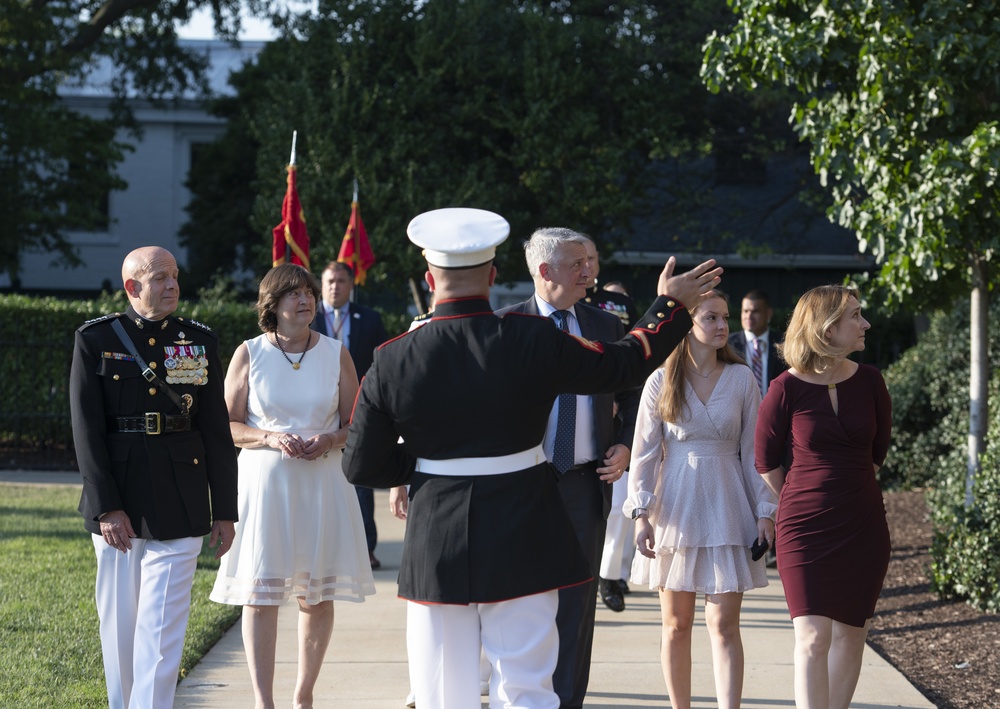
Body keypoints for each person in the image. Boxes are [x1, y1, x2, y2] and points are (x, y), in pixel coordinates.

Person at [343, 206, 723, 709]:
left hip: (437, 536)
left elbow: (360, 466)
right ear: (494, 275)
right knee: (526, 685)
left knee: (441, 690)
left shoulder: (393, 357)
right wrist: (668, 307)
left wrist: (427, 470)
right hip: (524, 527)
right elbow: (627, 363)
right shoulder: (536, 339)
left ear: (429, 277)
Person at [69, 245, 239, 709]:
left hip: (181, 494)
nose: (172, 286)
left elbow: (215, 429)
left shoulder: (198, 340)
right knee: (122, 623)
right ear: (132, 287)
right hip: (118, 499)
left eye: (175, 276)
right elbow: (86, 430)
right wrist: (106, 505)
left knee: (162, 625)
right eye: (160, 277)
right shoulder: (96, 338)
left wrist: (224, 509)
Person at [211, 263, 375, 708]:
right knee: (261, 596)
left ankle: (304, 695)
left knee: (315, 595)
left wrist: (329, 439)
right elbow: (225, 425)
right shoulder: (249, 353)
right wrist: (268, 436)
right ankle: (265, 702)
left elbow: (356, 422)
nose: (304, 300)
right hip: (265, 489)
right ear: (272, 305)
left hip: (322, 485)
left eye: (308, 292)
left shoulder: (336, 352)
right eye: (292, 294)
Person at [496, 227, 640, 707]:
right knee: (518, 604)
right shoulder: (505, 327)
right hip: (520, 487)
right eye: (578, 263)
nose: (589, 271)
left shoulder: (605, 328)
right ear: (544, 271)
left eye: (590, 262)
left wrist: (623, 443)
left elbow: (632, 393)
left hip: (582, 486)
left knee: (576, 609)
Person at [624, 288, 776, 709]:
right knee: (676, 625)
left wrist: (766, 511)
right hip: (676, 508)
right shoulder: (660, 379)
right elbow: (645, 452)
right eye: (711, 317)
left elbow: (754, 453)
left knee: (725, 624)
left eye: (725, 318)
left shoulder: (743, 378)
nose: (723, 326)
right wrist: (640, 513)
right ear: (688, 324)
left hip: (729, 507)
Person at [754, 285, 891, 709]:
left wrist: (845, 493)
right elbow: (764, 461)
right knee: (813, 636)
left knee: (852, 637)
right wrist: (802, 496)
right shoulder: (784, 388)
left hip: (863, 526)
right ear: (827, 328)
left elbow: (876, 455)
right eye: (855, 315)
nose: (864, 323)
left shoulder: (870, 381)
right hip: (804, 529)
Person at [311, 259, 389, 568]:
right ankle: (322, 549)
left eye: (340, 281)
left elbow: (379, 362)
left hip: (358, 409)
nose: (334, 286)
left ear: (350, 285)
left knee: (360, 478)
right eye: (329, 281)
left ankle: (365, 549)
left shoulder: (369, 318)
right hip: (316, 408)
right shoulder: (308, 316)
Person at [728, 289, 786, 398]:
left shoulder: (783, 343)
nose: (749, 316)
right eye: (745, 311)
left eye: (755, 311)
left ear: (768, 313)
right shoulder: (728, 344)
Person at [579, 235, 638, 329]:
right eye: (580, 260)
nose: (587, 265)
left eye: (590, 258)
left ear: (597, 257)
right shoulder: (559, 302)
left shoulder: (622, 302)